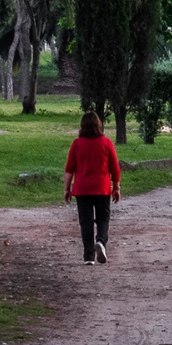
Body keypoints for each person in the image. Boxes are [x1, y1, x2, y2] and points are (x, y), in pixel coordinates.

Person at [64, 112, 121, 265]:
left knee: (86, 222)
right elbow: (115, 168)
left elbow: (69, 169)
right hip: (101, 188)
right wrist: (116, 187)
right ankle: (101, 241)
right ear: (99, 125)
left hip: (82, 189)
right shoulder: (106, 143)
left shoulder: (77, 144)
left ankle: (88, 256)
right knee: (103, 218)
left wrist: (67, 189)